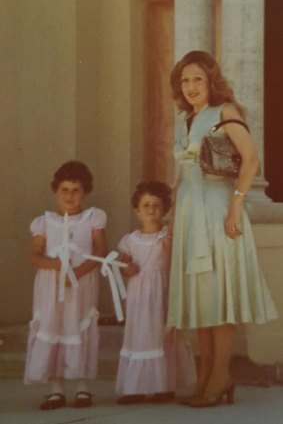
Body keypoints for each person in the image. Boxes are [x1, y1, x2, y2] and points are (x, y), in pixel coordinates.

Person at [167, 50, 278, 407]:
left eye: (198, 78)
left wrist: (236, 205)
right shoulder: (188, 119)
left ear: (211, 80)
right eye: (185, 80)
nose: (191, 86)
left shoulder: (225, 111)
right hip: (188, 213)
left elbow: (251, 158)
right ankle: (204, 378)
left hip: (217, 213)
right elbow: (183, 173)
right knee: (200, 298)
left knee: (218, 294)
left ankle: (221, 375)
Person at [24, 161, 108, 409]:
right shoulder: (44, 222)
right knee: (55, 328)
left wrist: (76, 274)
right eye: (65, 190)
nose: (70, 195)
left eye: (76, 190)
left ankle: (83, 388)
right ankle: (56, 390)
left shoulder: (92, 218)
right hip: (51, 287)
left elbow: (100, 250)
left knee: (78, 328)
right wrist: (57, 267)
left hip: (81, 285)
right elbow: (34, 255)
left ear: (84, 192)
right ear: (55, 192)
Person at [116, 181, 196, 405]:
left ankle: (164, 386)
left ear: (165, 210)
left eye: (157, 206)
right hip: (139, 297)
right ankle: (136, 388)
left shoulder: (166, 237)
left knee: (163, 336)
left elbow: (174, 264)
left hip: (161, 293)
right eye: (146, 205)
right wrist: (127, 268)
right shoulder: (130, 240)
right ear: (137, 210)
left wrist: (171, 248)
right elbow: (124, 266)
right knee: (141, 336)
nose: (151, 210)